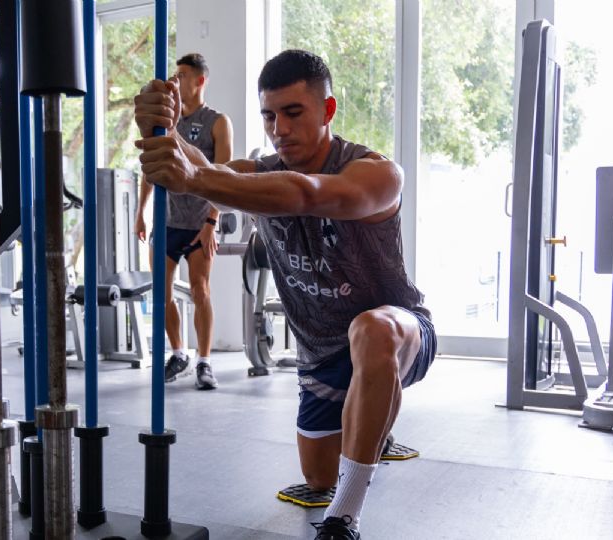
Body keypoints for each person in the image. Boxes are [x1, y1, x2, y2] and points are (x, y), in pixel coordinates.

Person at [133, 49, 436, 539]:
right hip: (320, 356)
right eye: (269, 116)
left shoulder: (376, 174)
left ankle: (343, 520)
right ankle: (371, 425)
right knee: (319, 475)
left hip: (401, 336)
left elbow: (307, 194)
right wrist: (159, 127)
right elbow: (210, 174)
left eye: (294, 113)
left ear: (328, 111)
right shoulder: (257, 173)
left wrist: (198, 175)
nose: (280, 128)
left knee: (372, 330)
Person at [134, 52, 233, 390]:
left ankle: (204, 361)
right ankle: (179, 353)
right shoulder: (164, 120)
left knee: (200, 290)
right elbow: (151, 169)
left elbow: (224, 176)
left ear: (200, 80)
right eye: (174, 75)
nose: (176, 80)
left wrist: (212, 222)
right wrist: (140, 213)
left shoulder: (217, 122)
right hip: (165, 222)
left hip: (197, 224)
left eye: (182, 75)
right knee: (161, 294)